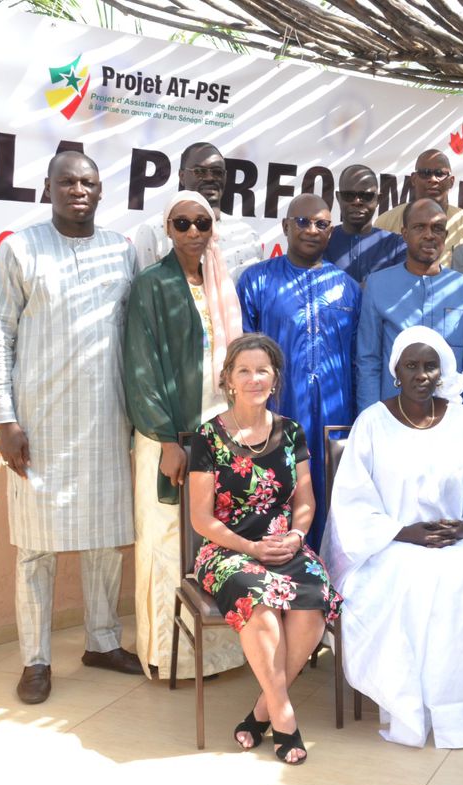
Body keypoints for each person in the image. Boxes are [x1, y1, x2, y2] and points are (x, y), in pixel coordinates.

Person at [0, 151, 143, 705]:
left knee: (104, 541)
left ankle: (101, 642)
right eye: (68, 181)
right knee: (35, 547)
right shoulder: (20, 249)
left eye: (89, 182)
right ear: (47, 188)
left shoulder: (122, 252)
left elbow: (136, 336)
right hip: (39, 425)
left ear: (101, 191)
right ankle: (36, 658)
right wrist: (5, 419)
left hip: (105, 421)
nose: (79, 190)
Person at [324, 327, 463, 748]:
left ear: (442, 371)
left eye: (430, 365)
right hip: (388, 546)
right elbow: (351, 503)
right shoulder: (373, 423)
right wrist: (404, 532)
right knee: (418, 584)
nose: (422, 374)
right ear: (395, 372)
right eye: (412, 366)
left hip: (453, 539)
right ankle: (416, 704)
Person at [187, 334, 342, 765]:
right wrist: (249, 545)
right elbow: (202, 518)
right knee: (261, 605)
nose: (254, 378)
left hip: (283, 545)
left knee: (313, 600)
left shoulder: (291, 432)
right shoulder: (208, 437)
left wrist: (296, 536)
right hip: (226, 550)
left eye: (263, 370)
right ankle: (285, 715)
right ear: (228, 380)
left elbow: (305, 501)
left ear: (275, 379)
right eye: (244, 371)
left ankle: (261, 712)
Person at [123, 190, 247, 678]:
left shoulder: (222, 282)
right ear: (167, 230)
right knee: (166, 539)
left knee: (212, 539)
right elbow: (141, 366)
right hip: (169, 438)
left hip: (217, 436)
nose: (194, 232)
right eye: (182, 223)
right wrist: (166, 439)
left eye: (202, 222)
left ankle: (216, 656)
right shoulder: (151, 284)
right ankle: (166, 654)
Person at [236, 193, 360, 549]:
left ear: (331, 231)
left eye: (321, 224)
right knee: (272, 503)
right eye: (303, 222)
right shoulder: (256, 281)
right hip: (276, 416)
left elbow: (357, 359)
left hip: (335, 423)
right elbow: (243, 357)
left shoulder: (348, 288)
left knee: (333, 503)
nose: (311, 230)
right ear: (286, 227)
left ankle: (327, 586)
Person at [356, 197, 463, 413]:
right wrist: (370, 417)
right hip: (394, 415)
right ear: (405, 234)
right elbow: (368, 360)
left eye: (437, 229)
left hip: (449, 417)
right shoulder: (378, 285)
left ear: (446, 236)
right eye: (419, 227)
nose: (429, 235)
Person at [133, 142, 262, 276]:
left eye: (217, 172)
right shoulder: (154, 230)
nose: (210, 178)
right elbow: (144, 291)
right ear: (182, 177)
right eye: (199, 172)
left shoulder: (247, 236)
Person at [374, 149, 463, 265]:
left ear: (451, 181)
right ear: (413, 179)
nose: (433, 180)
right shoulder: (385, 222)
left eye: (440, 174)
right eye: (425, 173)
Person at [325, 164, 405, 286]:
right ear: (338, 197)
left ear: (378, 199)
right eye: (349, 195)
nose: (357, 202)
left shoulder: (396, 246)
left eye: (366, 196)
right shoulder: (322, 242)